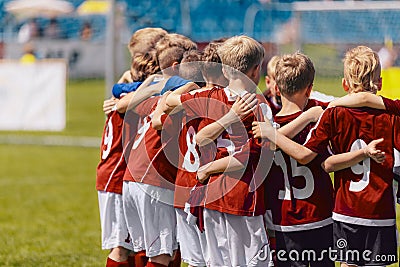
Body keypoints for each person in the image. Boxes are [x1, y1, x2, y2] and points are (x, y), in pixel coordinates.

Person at [253, 45, 398, 267]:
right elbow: (312, 158)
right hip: (359, 213)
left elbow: (321, 161)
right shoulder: (390, 115)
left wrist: (271, 134)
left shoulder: (330, 114)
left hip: (318, 216)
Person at [165, 35, 272, 266]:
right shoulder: (259, 104)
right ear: (256, 70)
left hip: (211, 197)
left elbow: (168, 103)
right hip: (242, 197)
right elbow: (250, 157)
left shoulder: (209, 96)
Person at [122, 33, 197, 267]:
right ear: (177, 66)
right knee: (161, 255)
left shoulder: (152, 88)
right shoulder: (175, 92)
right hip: (153, 180)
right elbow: (158, 120)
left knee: (157, 249)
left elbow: (122, 99)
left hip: (133, 178)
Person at [262, 52, 334, 267]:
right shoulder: (317, 121)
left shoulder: (266, 126)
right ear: (309, 89)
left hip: (284, 220)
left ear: (276, 87)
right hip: (319, 215)